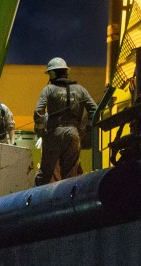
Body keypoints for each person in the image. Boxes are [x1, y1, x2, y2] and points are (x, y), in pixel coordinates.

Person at [33, 57, 97, 185]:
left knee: (45, 173)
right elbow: (95, 110)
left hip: (53, 135)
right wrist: (87, 128)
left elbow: (38, 112)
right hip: (74, 135)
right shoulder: (80, 90)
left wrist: (40, 131)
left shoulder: (49, 89)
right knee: (70, 176)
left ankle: (37, 202)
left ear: (52, 73)